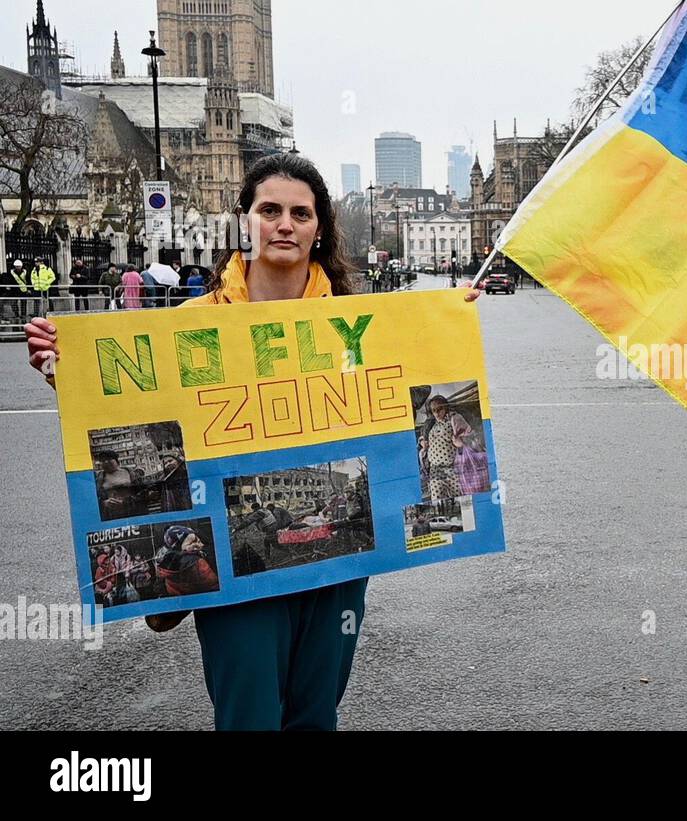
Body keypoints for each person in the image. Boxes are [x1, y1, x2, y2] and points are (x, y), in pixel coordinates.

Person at [26, 152, 480, 731]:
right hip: (237, 571)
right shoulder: (190, 323)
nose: (285, 224)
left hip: (337, 565)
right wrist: (66, 371)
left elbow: (409, 396)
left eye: (301, 212)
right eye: (269, 210)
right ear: (245, 222)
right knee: (249, 718)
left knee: (316, 715)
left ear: (320, 230)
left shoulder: (361, 323)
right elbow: (131, 411)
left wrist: (448, 324)